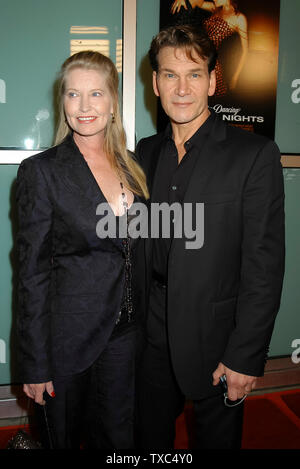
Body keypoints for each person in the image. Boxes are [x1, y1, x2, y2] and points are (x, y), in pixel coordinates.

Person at [135, 25, 285, 449]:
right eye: (170, 75)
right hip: (151, 335)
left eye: (195, 74)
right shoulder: (145, 152)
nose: (182, 88)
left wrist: (246, 354)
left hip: (218, 338)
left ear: (213, 80)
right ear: (155, 82)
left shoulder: (253, 155)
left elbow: (264, 266)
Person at [16, 50, 148, 449]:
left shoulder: (134, 168)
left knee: (118, 439)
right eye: (73, 95)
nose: (84, 106)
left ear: (112, 103)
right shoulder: (43, 172)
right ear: (63, 103)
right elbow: (31, 275)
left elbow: (136, 251)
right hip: (67, 342)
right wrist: (36, 364)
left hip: (126, 337)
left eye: (96, 94)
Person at [170, 0, 248, 95]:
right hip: (196, 58)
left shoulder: (239, 18)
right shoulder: (214, 8)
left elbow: (245, 51)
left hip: (211, 64)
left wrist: (236, 77)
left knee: (209, 99)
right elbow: (196, 3)